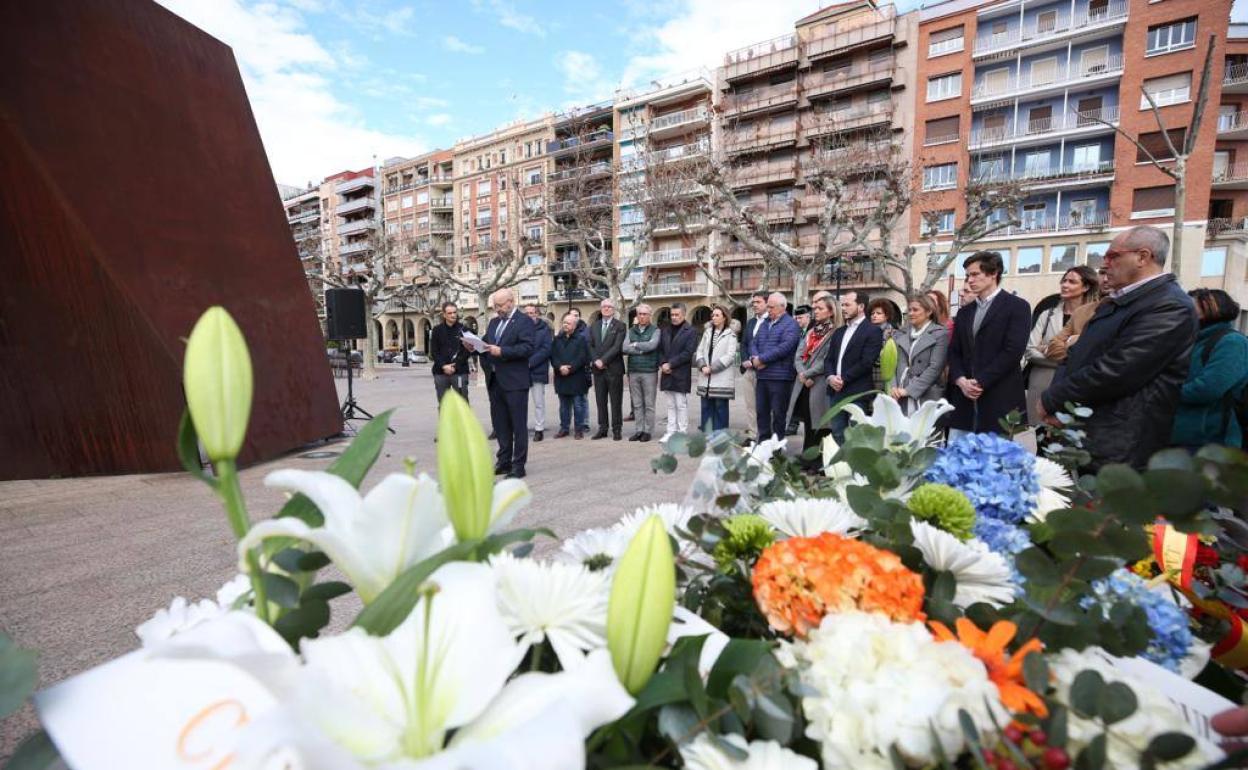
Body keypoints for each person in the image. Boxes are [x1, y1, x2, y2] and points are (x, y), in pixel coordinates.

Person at [1039, 226, 1198, 470]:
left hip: (1119, 445)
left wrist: (1054, 398)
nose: (1105, 263)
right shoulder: (1117, 302)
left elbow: (1117, 370)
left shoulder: (1169, 306)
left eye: (1113, 256)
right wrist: (1059, 406)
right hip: (1084, 431)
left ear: (1143, 257)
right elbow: (1075, 356)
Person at [945, 251, 1031, 437]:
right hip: (964, 399)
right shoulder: (964, 312)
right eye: (968, 275)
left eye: (975, 274)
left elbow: (1013, 351)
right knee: (959, 457)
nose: (970, 280)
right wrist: (960, 381)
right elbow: (954, 351)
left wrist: (980, 381)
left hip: (999, 397)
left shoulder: (1017, 306)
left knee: (995, 459)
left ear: (994, 273)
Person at [469, 288, 535, 479]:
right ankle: (503, 461)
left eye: (500, 305)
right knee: (500, 425)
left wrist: (503, 351)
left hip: (515, 381)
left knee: (518, 425)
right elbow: (486, 345)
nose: (497, 309)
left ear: (511, 301)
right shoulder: (494, 322)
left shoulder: (524, 321)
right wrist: (473, 346)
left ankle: (518, 466)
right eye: (495, 305)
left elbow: (527, 348)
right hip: (495, 381)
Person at [1172, 289, 1248, 450]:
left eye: (1190, 306)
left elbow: (1208, 389)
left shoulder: (1232, 342)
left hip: (1211, 441)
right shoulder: (1192, 340)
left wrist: (1166, 392)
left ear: (1210, 308)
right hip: (1181, 436)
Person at [1024, 267, 1099, 424]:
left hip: (1074, 384)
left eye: (1072, 282)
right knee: (1041, 435)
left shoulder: (1095, 315)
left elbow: (1091, 352)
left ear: (1085, 287)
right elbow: (1030, 350)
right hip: (1042, 381)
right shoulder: (1047, 314)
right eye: (1064, 281)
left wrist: (1047, 349)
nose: (1065, 285)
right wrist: (1069, 355)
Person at [823, 290, 884, 442]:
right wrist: (831, 377)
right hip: (835, 392)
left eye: (847, 305)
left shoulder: (873, 330)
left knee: (856, 437)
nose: (843, 308)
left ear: (861, 306)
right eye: (842, 305)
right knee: (837, 433)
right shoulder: (839, 332)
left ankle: (854, 467)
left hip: (857, 392)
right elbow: (828, 359)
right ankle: (841, 466)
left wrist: (843, 379)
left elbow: (867, 362)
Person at [787, 296, 838, 456]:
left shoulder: (835, 332)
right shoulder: (811, 331)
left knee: (820, 424)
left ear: (830, 312)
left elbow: (827, 360)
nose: (816, 311)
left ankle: (818, 459)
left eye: (820, 309)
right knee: (808, 422)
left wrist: (807, 374)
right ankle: (807, 456)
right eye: (815, 308)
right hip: (803, 382)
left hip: (820, 383)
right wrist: (802, 373)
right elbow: (798, 355)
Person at [751, 292, 802, 442]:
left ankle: (776, 447)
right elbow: (754, 342)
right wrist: (755, 358)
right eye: (768, 307)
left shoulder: (791, 324)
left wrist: (761, 359)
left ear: (782, 307)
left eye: (771, 307)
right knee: (762, 412)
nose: (768, 310)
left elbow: (785, 347)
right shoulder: (765, 323)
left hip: (780, 377)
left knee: (779, 414)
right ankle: (764, 443)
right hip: (762, 376)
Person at [891, 294, 949, 415]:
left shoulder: (940, 334)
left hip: (926, 395)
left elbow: (935, 368)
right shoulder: (900, 333)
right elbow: (893, 364)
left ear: (928, 312)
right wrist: (894, 387)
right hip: (899, 395)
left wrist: (909, 390)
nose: (911, 313)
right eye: (909, 310)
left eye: (915, 310)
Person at [1045, 267, 1111, 363]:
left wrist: (1075, 340)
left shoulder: (1134, 310)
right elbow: (1052, 348)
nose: (1105, 279)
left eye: (1072, 282)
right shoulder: (1081, 312)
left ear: (1086, 287)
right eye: (1102, 273)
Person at [695, 306, 738, 432]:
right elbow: (700, 350)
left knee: (720, 408)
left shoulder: (731, 334)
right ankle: (707, 435)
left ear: (724, 317)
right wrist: (702, 366)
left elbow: (730, 356)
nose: (714, 318)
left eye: (717, 315)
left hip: (721, 378)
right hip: (705, 377)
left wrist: (712, 368)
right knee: (706, 407)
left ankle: (720, 437)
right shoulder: (707, 333)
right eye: (712, 315)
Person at [588, 298, 627, 441]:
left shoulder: (620, 326)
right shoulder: (594, 326)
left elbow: (617, 347)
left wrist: (603, 360)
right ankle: (602, 428)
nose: (606, 309)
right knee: (600, 400)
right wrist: (596, 361)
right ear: (601, 308)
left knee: (616, 400)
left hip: (614, 369)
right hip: (598, 370)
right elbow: (590, 346)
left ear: (614, 309)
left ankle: (617, 429)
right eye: (604, 306)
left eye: (609, 307)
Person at [621, 304, 660, 442]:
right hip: (633, 371)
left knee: (649, 404)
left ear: (650, 315)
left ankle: (648, 431)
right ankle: (639, 430)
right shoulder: (630, 331)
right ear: (636, 315)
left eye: (645, 314)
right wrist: (643, 348)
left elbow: (652, 345)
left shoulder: (656, 331)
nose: (642, 316)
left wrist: (636, 345)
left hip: (649, 371)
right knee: (637, 404)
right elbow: (625, 348)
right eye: (640, 314)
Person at [659, 302, 698, 441]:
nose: (674, 317)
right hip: (666, 372)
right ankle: (671, 431)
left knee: (680, 404)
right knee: (670, 404)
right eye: (672, 315)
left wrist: (671, 364)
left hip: (680, 372)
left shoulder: (691, 331)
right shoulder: (665, 329)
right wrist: (663, 363)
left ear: (684, 314)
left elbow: (688, 353)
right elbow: (660, 350)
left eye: (677, 315)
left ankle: (682, 432)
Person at [550, 312, 591, 440]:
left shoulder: (581, 339)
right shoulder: (557, 339)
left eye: (568, 323)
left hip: (576, 377)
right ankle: (564, 428)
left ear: (574, 325)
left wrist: (570, 368)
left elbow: (583, 357)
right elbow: (553, 356)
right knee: (563, 406)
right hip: (561, 377)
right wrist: (559, 367)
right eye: (564, 323)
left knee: (578, 405)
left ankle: (579, 429)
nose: (565, 325)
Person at [430, 302, 470, 410]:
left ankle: (463, 427)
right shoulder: (437, 330)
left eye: (454, 312)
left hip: (460, 371)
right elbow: (434, 351)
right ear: (444, 315)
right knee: (443, 404)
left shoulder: (464, 329)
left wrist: (455, 366)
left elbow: (466, 352)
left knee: (463, 402)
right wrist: (444, 366)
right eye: (450, 313)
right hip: (440, 372)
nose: (453, 315)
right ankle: (446, 426)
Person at [738, 291, 768, 438]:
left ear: (767, 303)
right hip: (748, 370)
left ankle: (764, 436)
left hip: (765, 370)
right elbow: (743, 343)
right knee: (750, 406)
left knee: (765, 407)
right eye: (753, 302)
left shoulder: (772, 322)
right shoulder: (751, 322)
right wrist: (744, 359)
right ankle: (752, 435)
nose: (754, 305)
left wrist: (760, 360)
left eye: (758, 302)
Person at [524, 304, 552, 442]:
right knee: (521, 402)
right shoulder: (520, 328)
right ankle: (521, 427)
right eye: (527, 313)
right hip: (521, 371)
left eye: (532, 313)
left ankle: (539, 429)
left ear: (536, 314)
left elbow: (546, 349)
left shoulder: (544, 329)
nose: (529, 315)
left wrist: (530, 362)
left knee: (538, 402)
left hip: (537, 370)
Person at [568, 307, 592, 436]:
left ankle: (585, 423)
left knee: (582, 398)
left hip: (582, 370)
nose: (574, 317)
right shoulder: (564, 331)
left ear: (580, 317)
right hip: (568, 371)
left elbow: (586, 352)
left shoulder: (585, 332)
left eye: (576, 315)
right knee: (570, 399)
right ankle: (576, 422)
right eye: (571, 315)